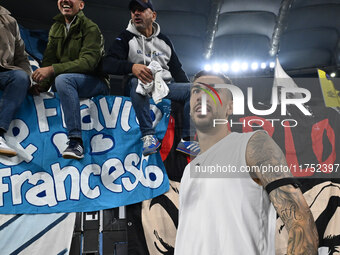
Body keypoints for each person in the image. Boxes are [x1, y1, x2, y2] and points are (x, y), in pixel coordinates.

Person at [174, 71, 319, 254]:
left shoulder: (252, 144)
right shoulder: (189, 170)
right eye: (196, 91)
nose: (202, 96)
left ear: (230, 107)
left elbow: (301, 224)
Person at [102, 0, 199, 157]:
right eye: (133, 11)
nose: (136, 13)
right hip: (136, 86)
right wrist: (131, 67)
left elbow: (177, 70)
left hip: (164, 87)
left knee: (196, 89)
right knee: (136, 81)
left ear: (153, 15)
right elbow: (107, 64)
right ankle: (148, 136)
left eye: (141, 10)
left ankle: (187, 140)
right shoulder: (125, 38)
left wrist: (187, 93)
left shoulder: (165, 41)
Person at [31, 0, 109, 160]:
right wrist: (41, 86)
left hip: (96, 82)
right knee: (56, 81)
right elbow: (49, 59)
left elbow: (88, 63)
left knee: (62, 80)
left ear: (81, 5)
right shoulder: (56, 27)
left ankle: (76, 142)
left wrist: (52, 69)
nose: (65, 0)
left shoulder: (90, 28)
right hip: (69, 79)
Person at [0, 6, 32, 157]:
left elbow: (21, 57)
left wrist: (29, 81)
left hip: (4, 72)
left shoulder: (10, 21)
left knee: (20, 77)